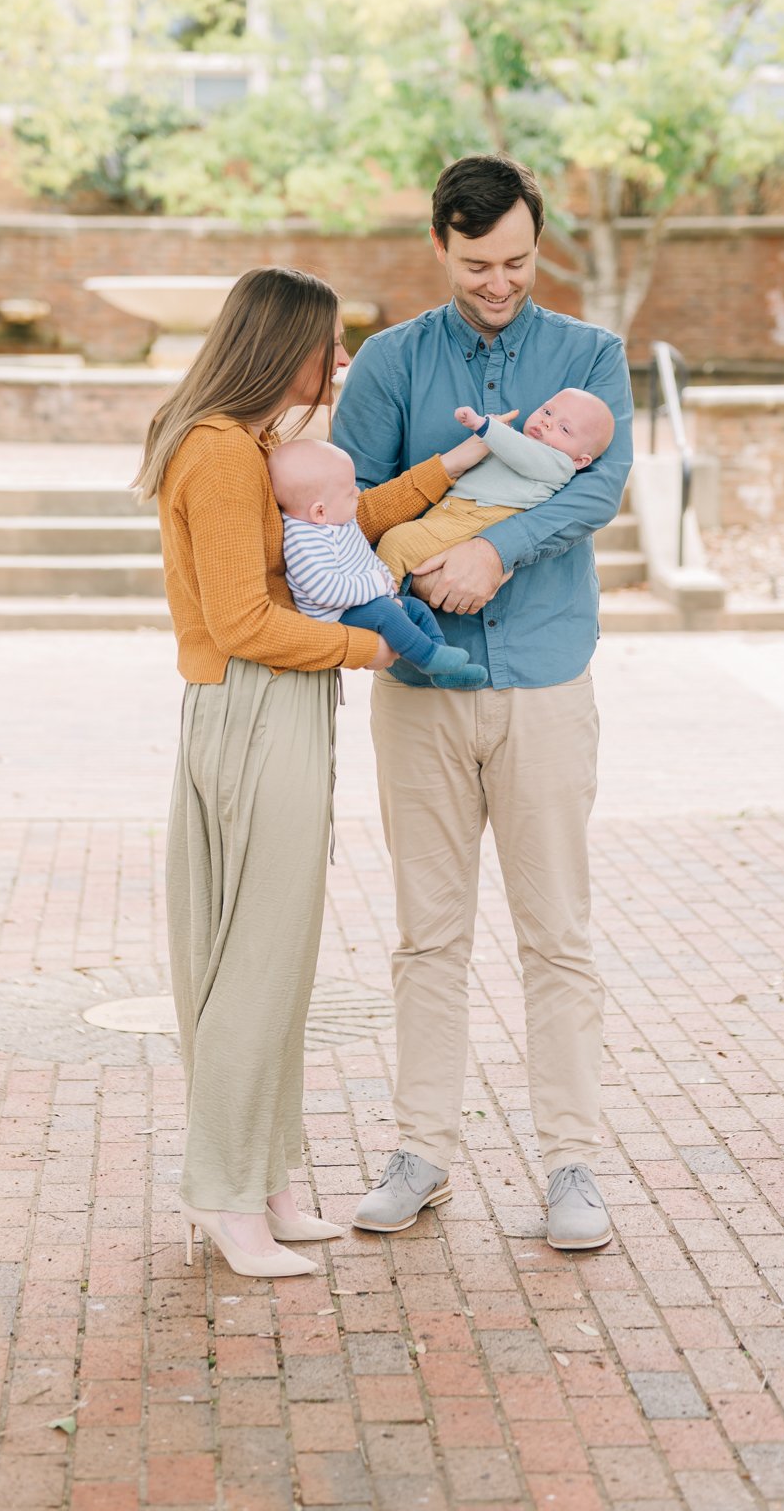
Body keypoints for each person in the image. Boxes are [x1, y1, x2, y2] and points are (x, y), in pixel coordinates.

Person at [135, 266, 485, 1279]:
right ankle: (224, 1193)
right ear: (277, 344)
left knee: (274, 957)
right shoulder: (218, 453)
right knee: (251, 960)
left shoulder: (246, 446)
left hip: (273, 705)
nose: (339, 364)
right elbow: (243, 619)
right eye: (327, 347)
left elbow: (344, 524)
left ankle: (267, 1177)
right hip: (254, 708)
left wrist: (441, 472)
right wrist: (373, 652)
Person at [333, 157, 634, 1253]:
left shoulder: (592, 356)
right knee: (429, 936)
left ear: (535, 242)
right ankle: (420, 1150)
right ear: (439, 247)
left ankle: (572, 1164)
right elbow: (350, 507)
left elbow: (600, 486)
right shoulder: (389, 362)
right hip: (419, 688)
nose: (498, 280)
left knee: (556, 933)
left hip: (547, 678)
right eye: (475, 265)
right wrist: (419, 562)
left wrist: (497, 553)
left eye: (514, 260)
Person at [269, 438, 490, 687]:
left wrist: (384, 588)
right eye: (349, 491)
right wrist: (377, 587)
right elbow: (325, 591)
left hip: (361, 603)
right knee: (386, 613)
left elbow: (363, 558)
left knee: (416, 609)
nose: (358, 492)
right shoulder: (302, 541)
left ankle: (443, 667)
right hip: (334, 616)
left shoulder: (336, 520)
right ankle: (429, 658)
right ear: (319, 511)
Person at [375, 388, 617, 584]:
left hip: (478, 516)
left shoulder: (560, 465)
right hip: (455, 512)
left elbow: (522, 453)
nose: (547, 423)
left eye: (564, 428)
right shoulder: (521, 444)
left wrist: (486, 427)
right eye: (547, 411)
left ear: (580, 461)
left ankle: (382, 605)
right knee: (407, 544)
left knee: (397, 542)